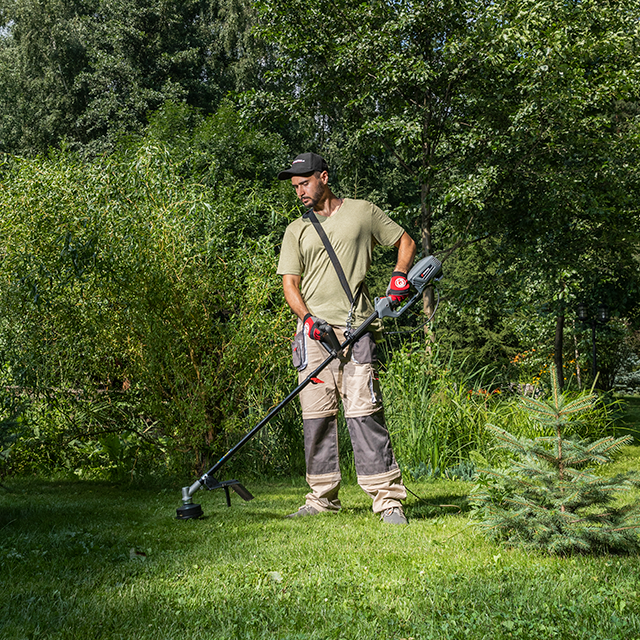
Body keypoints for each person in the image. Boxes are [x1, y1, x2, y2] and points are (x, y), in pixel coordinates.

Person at [276, 152, 417, 525]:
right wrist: (308, 320)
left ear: (323, 177)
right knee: (316, 417)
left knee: (364, 413)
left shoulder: (362, 212)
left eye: (305, 183)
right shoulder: (297, 230)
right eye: (295, 186)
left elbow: (405, 241)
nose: (300, 191)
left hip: (359, 329)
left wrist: (399, 276)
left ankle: (388, 500)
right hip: (314, 336)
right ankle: (321, 499)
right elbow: (290, 285)